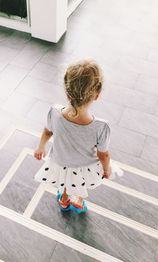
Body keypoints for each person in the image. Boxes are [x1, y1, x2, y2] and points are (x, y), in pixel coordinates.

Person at [33, 59, 123, 214]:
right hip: (84, 166)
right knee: (80, 182)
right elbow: (103, 154)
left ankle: (64, 200)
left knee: (66, 181)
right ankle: (79, 202)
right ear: (97, 94)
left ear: (67, 91)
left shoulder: (54, 112)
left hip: (60, 161)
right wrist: (107, 169)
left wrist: (41, 147)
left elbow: (48, 131)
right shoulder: (101, 127)